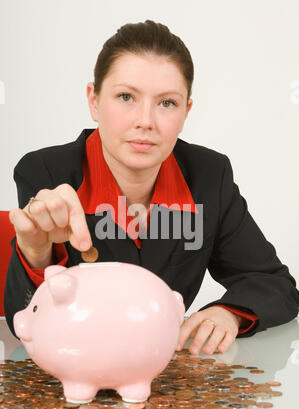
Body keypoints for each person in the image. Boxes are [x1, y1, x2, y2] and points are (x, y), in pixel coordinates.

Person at [4, 20, 299, 357]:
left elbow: (276, 285)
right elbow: (23, 321)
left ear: (186, 111)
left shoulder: (209, 176)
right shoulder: (46, 172)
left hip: (163, 378)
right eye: (126, 97)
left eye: (167, 103)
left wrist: (228, 313)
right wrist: (35, 251)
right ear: (94, 101)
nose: (145, 120)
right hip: (76, 376)